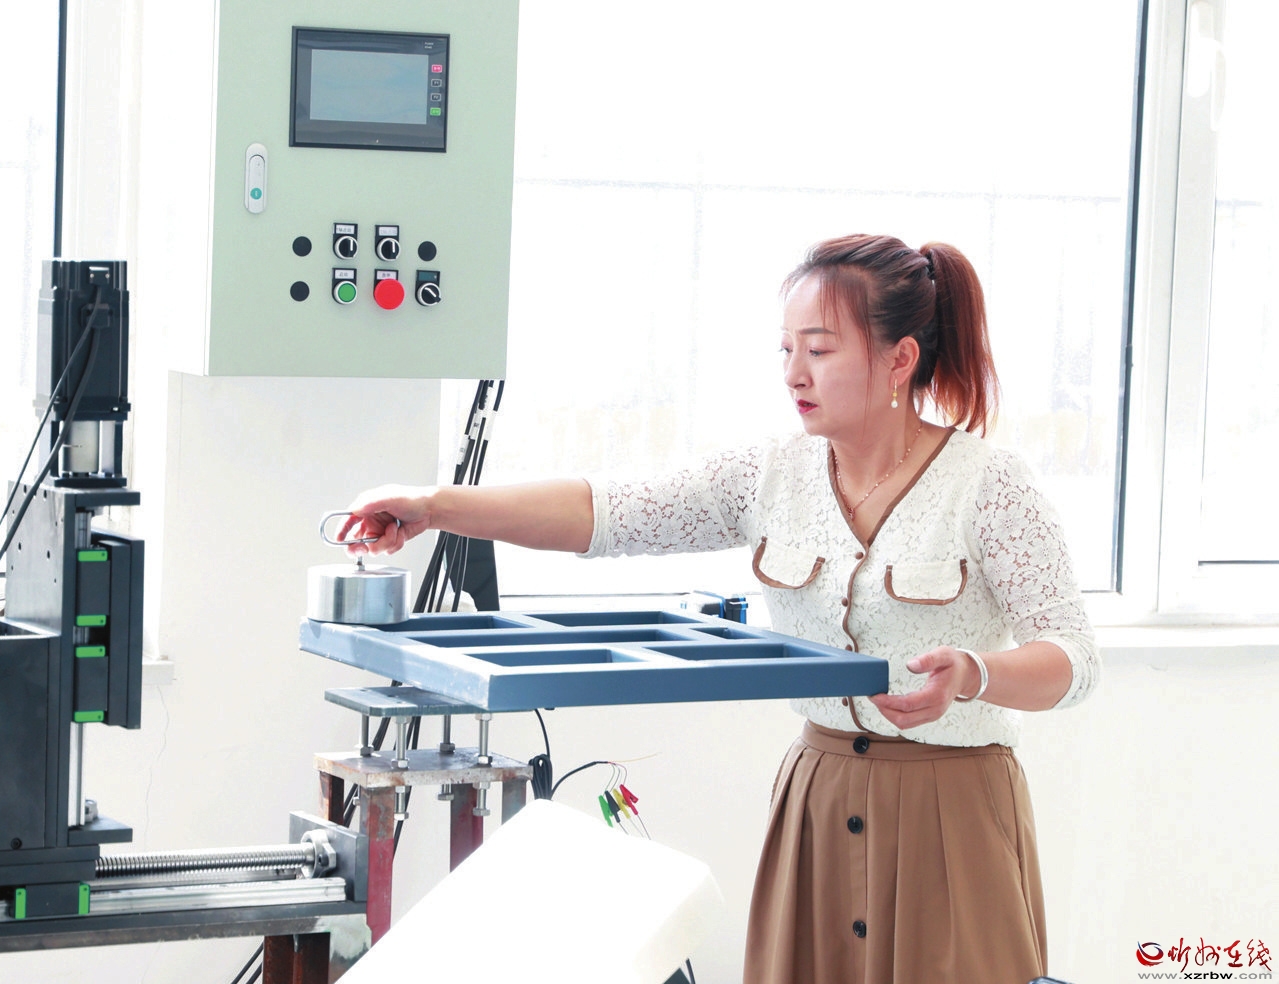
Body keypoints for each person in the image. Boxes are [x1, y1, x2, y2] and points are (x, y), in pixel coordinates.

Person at [338, 233, 1101, 984]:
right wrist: (436, 506)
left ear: (899, 358)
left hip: (951, 813)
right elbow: (606, 512)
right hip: (818, 800)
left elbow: (1072, 659)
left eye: (819, 349)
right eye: (785, 349)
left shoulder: (987, 485)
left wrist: (972, 673)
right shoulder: (767, 475)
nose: (793, 373)